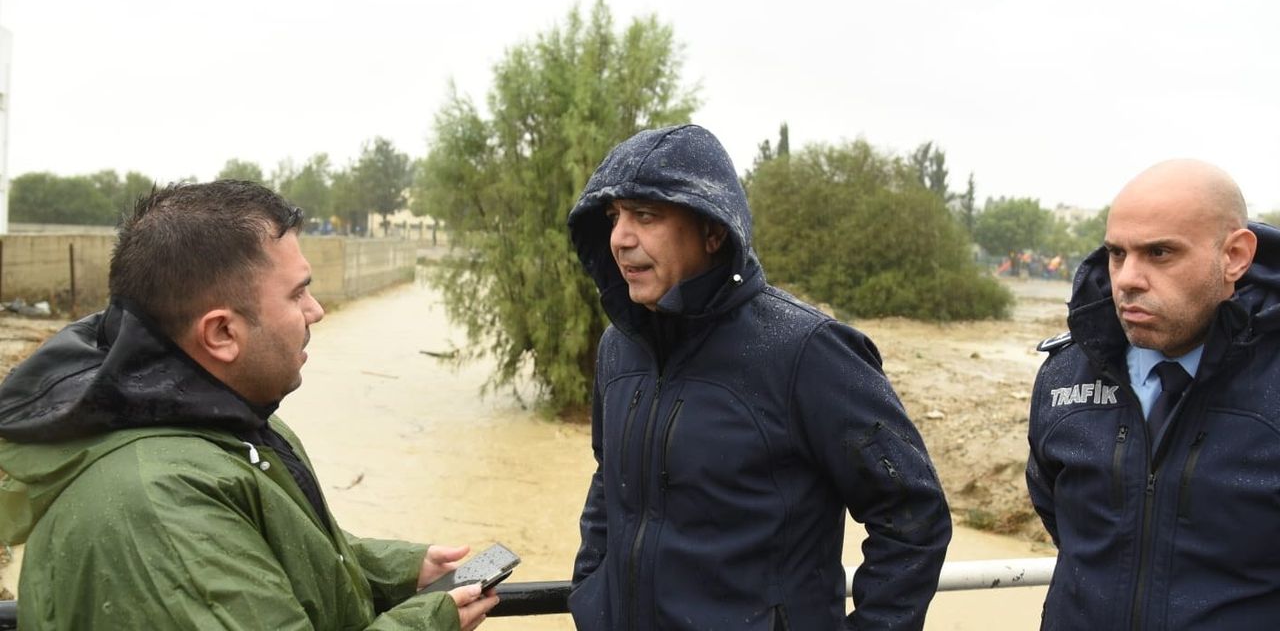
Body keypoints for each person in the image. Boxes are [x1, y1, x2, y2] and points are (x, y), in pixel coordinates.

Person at [0, 181, 499, 630]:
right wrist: (428, 622)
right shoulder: (159, 511)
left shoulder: (220, 419)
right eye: (298, 295)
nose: (317, 311)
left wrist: (398, 571)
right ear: (221, 332)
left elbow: (270, 548)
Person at [566, 124, 951, 630]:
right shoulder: (619, 348)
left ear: (713, 231)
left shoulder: (808, 351)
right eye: (614, 216)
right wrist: (591, 591)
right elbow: (609, 482)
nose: (620, 238)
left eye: (646, 216)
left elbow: (913, 515)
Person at [1026, 159, 1280, 629]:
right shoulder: (1064, 376)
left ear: (1235, 256)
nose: (1127, 279)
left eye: (1159, 253)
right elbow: (1061, 518)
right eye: (1117, 253)